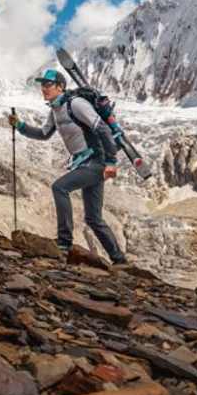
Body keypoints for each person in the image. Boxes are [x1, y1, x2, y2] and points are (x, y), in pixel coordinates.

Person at [9, 68, 128, 263]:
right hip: (84, 162)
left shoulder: (76, 104)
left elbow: (103, 129)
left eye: (48, 85)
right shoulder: (55, 110)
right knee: (93, 218)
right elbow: (43, 134)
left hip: (96, 161)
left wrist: (111, 162)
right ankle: (119, 260)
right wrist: (20, 126)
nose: (44, 89)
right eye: (42, 85)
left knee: (60, 187)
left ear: (60, 87)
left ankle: (64, 242)